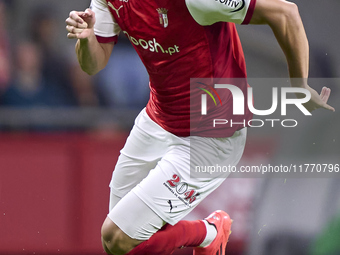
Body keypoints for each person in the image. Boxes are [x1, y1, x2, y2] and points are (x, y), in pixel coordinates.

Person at [65, 0, 335, 254]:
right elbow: (93, 65)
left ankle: (209, 232)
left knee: (118, 235)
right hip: (159, 117)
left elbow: (285, 13)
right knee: (123, 245)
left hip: (214, 130)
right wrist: (87, 38)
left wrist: (299, 85)